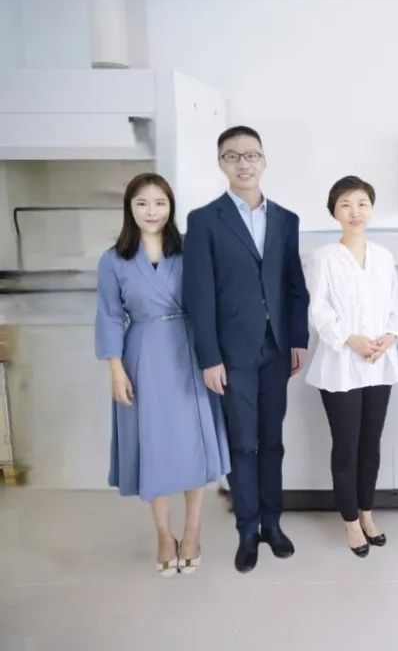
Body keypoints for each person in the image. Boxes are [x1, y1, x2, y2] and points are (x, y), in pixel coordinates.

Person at [182, 125, 310, 574]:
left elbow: (295, 286)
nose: (243, 163)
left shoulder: (286, 220)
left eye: (251, 155)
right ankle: (247, 530)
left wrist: (298, 339)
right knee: (242, 443)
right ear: (221, 163)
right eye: (232, 156)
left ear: (264, 160)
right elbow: (198, 295)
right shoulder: (204, 220)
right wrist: (209, 357)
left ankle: (273, 524)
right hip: (232, 353)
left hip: (276, 348)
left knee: (272, 441)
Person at [95, 172, 230, 576]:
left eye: (159, 203)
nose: (151, 211)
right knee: (152, 444)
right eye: (142, 203)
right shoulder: (113, 259)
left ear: (171, 206)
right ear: (129, 208)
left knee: (191, 444)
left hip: (189, 351)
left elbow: (214, 301)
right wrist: (116, 370)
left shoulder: (191, 249)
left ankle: (192, 531)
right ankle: (163, 535)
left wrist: (216, 355)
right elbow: (108, 316)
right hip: (142, 356)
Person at [304, 176, 398, 557]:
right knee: (346, 446)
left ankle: (367, 513)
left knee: (370, 445)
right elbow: (319, 310)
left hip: (379, 362)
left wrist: (388, 338)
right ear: (334, 211)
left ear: (371, 209)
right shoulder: (324, 257)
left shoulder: (384, 257)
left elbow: (396, 307)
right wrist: (351, 339)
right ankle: (350, 521)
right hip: (341, 363)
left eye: (362, 203)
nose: (355, 212)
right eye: (346, 204)